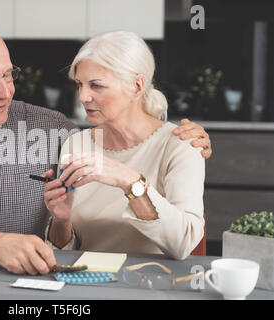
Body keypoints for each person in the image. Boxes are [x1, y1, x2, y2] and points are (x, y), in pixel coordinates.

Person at [0, 23, 211, 275]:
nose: (5, 92)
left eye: (8, 75)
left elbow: (126, 142)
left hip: (47, 280)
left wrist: (188, 142)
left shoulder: (57, 131)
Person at [44, 31, 205, 260]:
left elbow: (182, 244)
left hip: (151, 285)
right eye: (80, 84)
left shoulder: (180, 144)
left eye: (96, 86)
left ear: (136, 87)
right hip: (87, 285)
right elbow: (64, 252)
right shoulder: (77, 143)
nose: (83, 96)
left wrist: (129, 181)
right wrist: (61, 221)